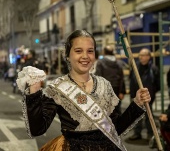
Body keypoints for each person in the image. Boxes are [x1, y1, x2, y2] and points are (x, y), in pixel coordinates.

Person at [17, 30, 151, 151]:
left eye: (90, 51)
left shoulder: (105, 85)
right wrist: (34, 91)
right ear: (67, 55)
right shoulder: (57, 88)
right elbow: (37, 129)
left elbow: (116, 128)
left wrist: (137, 103)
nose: (85, 56)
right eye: (78, 51)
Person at [129, 48, 160, 141]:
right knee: (136, 115)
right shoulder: (135, 67)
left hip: (148, 97)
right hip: (137, 97)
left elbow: (158, 84)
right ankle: (137, 133)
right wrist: (132, 94)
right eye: (140, 55)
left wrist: (152, 93)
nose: (141, 57)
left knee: (149, 116)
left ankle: (150, 134)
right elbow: (131, 81)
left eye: (143, 55)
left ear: (149, 57)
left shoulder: (153, 68)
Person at [95, 46, 126, 114]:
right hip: (117, 90)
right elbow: (121, 78)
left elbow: (98, 78)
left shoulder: (100, 63)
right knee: (117, 111)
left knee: (106, 112)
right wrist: (122, 91)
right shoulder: (119, 63)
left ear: (104, 52)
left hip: (105, 91)